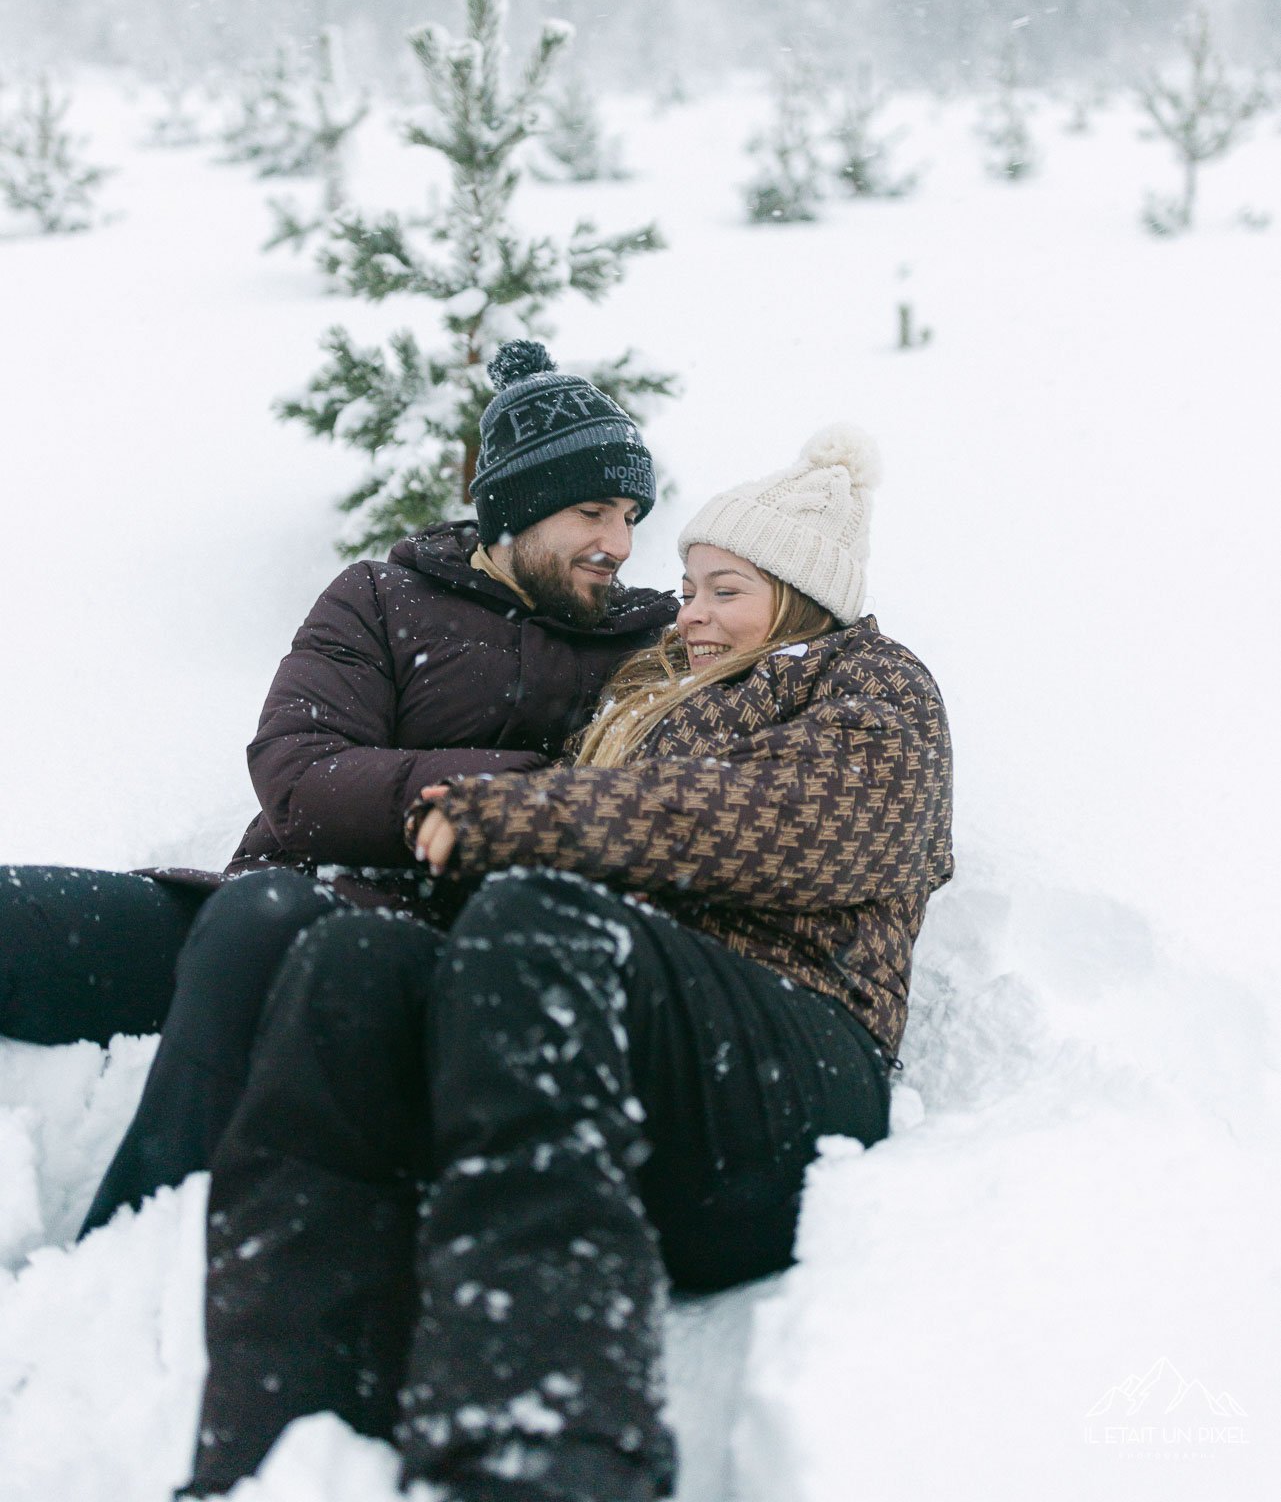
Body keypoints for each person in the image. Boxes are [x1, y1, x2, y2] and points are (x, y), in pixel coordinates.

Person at [183, 424, 954, 1502]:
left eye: (723, 590)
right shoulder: (656, 695)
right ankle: (276, 1449)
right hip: (618, 1068)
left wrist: (514, 818)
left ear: (800, 595)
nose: (688, 615)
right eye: (684, 589)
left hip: (787, 1075)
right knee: (355, 963)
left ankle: (545, 1455)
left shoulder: (871, 686)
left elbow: (751, 819)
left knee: (542, 924)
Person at [0, 340, 675, 1232]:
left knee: (267, 929)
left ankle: (132, 1255)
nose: (618, 544)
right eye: (593, 511)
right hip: (257, 903)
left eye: (630, 515)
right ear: (516, 508)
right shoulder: (382, 596)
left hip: (407, 961)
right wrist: (525, 783)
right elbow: (301, 778)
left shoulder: (651, 645)